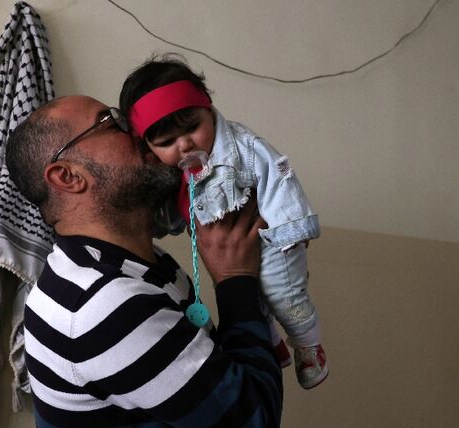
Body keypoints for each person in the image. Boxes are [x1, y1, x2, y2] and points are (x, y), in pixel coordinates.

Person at [5, 94, 283, 428]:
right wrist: (237, 280)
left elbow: (213, 384)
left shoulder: (146, 271)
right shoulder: (100, 302)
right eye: (109, 122)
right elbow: (252, 419)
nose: (138, 127)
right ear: (68, 177)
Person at [119, 54, 329, 390]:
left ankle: (308, 346)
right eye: (167, 142)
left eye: (192, 127)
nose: (184, 144)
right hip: (228, 250)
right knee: (252, 298)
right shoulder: (175, 173)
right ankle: (272, 346)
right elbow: (176, 210)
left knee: (281, 294)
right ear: (148, 147)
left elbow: (279, 179)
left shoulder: (245, 148)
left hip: (273, 240)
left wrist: (292, 228)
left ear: (208, 108)